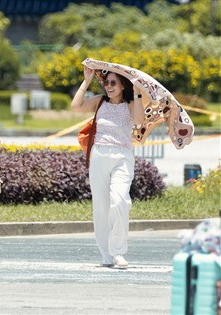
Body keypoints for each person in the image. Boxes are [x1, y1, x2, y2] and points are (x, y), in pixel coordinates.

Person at [71, 66, 144, 269]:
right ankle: (106, 254)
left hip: (123, 156)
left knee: (120, 201)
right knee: (101, 207)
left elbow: (139, 121)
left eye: (113, 83)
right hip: (100, 155)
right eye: (106, 82)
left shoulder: (131, 105)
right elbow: (76, 107)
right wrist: (86, 80)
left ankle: (118, 252)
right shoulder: (99, 101)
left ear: (122, 85)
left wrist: (138, 90)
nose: (109, 86)